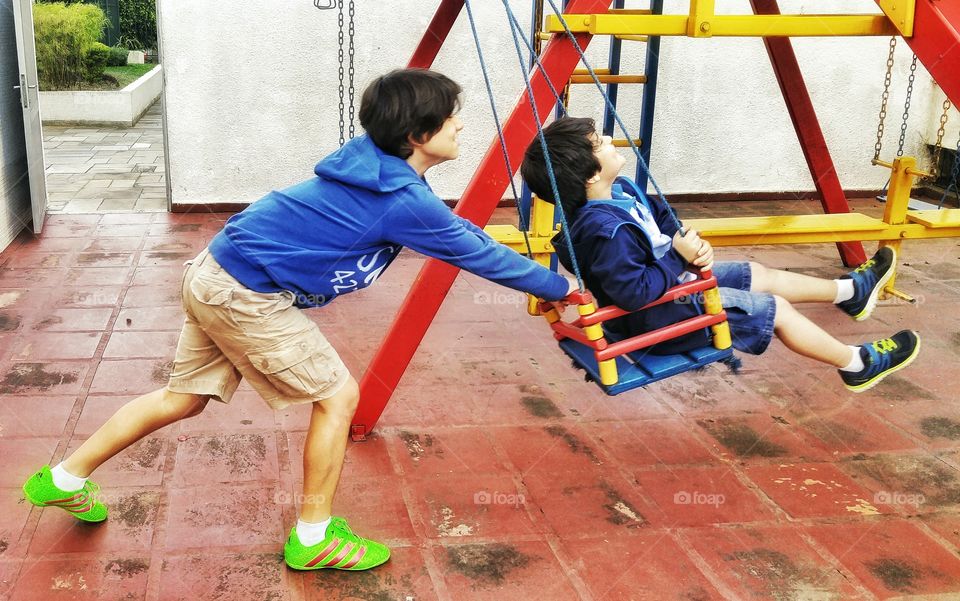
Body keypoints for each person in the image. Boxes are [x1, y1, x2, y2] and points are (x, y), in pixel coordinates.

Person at [22, 68, 576, 572]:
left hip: (215, 270)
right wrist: (561, 286)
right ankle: (313, 538)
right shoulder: (400, 199)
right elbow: (480, 254)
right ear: (417, 136)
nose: (460, 123)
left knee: (182, 398)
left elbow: (460, 236)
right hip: (243, 293)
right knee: (338, 397)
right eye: (451, 115)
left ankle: (64, 478)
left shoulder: (378, 166)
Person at [520, 116, 920, 392]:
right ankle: (856, 364)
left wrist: (688, 243)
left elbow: (662, 218)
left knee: (755, 272)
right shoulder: (603, 233)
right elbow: (633, 293)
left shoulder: (622, 191)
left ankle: (850, 292)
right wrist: (678, 257)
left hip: (677, 286)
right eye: (599, 143)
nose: (609, 140)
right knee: (774, 308)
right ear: (591, 175)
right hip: (659, 317)